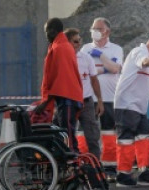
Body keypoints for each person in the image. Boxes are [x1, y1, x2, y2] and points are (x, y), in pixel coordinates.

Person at [112, 34, 149, 187]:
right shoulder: (140, 52)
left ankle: (144, 172)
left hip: (138, 106)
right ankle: (123, 174)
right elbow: (146, 62)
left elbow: (137, 79)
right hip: (127, 105)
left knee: (143, 138)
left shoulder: (142, 55)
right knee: (126, 139)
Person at [34, 18, 83, 152]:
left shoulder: (60, 48)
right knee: (58, 131)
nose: (46, 35)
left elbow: (60, 79)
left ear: (52, 31)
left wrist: (45, 102)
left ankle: (76, 164)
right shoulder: (62, 46)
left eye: (46, 32)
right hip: (68, 97)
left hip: (67, 98)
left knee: (67, 135)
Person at [83, 17, 124, 177]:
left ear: (107, 31)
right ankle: (87, 164)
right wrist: (104, 68)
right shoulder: (85, 48)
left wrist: (100, 57)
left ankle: (109, 167)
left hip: (109, 97)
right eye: (93, 28)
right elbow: (83, 71)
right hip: (89, 97)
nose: (94, 31)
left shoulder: (115, 49)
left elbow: (115, 69)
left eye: (98, 29)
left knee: (109, 133)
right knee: (85, 133)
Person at [65, 28, 104, 160]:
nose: (79, 44)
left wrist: (99, 100)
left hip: (86, 102)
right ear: (68, 43)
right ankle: (71, 167)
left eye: (80, 40)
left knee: (92, 136)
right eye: (76, 41)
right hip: (68, 103)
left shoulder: (86, 58)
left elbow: (94, 79)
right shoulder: (62, 59)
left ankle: (96, 166)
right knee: (67, 136)